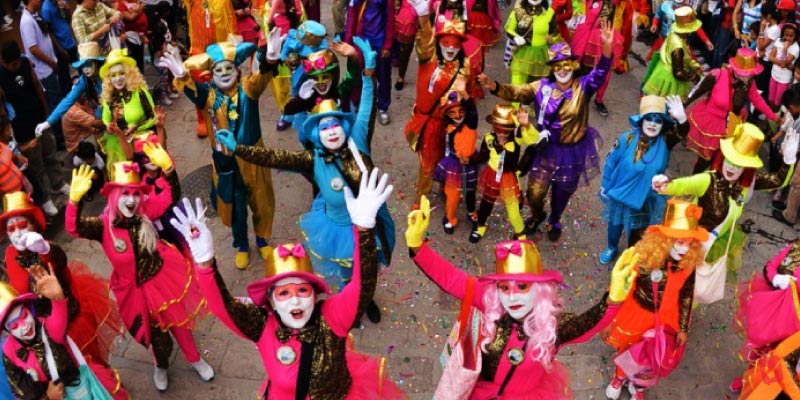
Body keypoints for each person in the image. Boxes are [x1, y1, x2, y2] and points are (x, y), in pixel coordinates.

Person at [177, 169, 404, 399]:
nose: (295, 299)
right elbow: (223, 307)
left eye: (302, 290)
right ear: (272, 302)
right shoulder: (262, 324)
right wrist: (205, 264)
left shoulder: (331, 317)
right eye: (284, 293)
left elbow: (361, 287)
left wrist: (363, 230)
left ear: (315, 296)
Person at [216, 37, 395, 323]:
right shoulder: (313, 159)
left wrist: (368, 72)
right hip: (335, 228)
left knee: (368, 266)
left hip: (365, 226)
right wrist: (238, 149)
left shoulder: (358, 141)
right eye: (325, 126)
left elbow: (366, 106)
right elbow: (275, 157)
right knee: (348, 272)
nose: (333, 130)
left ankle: (367, 297)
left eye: (336, 123)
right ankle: (353, 302)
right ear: (317, 135)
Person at [406, 195, 636, 399]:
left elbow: (589, 323)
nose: (512, 296)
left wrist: (613, 299)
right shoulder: (488, 300)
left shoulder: (554, 326)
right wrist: (418, 246)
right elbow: (450, 278)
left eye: (522, 286)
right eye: (504, 288)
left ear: (539, 290)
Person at [65, 156, 213, 391]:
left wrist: (169, 170)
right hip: (134, 291)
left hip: (162, 279)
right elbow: (74, 228)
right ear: (114, 196)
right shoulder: (104, 226)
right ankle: (160, 365)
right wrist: (74, 201)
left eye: (135, 193)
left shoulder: (145, 209)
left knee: (179, 323)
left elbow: (169, 196)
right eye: (125, 193)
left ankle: (195, 359)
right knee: (154, 336)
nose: (131, 200)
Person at [478, 21, 614, 242]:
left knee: (562, 191)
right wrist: (494, 86)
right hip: (545, 150)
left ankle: (555, 219)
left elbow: (600, 71)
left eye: (566, 65)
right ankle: (538, 214)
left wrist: (607, 48)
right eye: (557, 66)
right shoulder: (541, 87)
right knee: (534, 193)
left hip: (572, 151)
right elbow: (517, 91)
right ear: (552, 68)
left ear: (573, 66)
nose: (562, 70)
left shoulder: (583, 86)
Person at [158, 34, 283, 270]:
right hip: (225, 162)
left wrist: (271, 60)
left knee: (261, 199)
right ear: (212, 75)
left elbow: (263, 77)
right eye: (219, 70)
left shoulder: (249, 88)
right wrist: (182, 75)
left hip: (254, 157)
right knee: (235, 207)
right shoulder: (209, 95)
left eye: (229, 68)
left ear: (237, 71)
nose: (224, 73)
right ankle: (243, 245)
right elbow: (193, 92)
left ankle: (262, 238)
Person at [653, 123, 798, 277]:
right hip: (688, 242)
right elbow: (683, 184)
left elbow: (777, 181)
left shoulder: (744, 184)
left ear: (746, 169)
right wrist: (663, 184)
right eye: (729, 161)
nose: (731, 168)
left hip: (714, 243)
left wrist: (788, 162)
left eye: (739, 165)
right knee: (675, 279)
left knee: (699, 285)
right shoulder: (708, 179)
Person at [1, 191, 123, 367]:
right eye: (11, 228)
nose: (17, 233)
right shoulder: (9, 254)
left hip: (67, 321)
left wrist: (45, 249)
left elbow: (59, 260)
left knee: (90, 365)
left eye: (22, 225)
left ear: (33, 225)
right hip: (36, 330)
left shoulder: (44, 250)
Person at [603, 199, 708, 400]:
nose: (685, 249)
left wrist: (683, 328)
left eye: (689, 243)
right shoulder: (644, 260)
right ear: (665, 239)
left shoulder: (688, 264)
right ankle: (619, 376)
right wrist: (608, 317)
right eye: (680, 242)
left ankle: (639, 386)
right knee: (629, 350)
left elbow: (686, 295)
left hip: (666, 318)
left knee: (651, 356)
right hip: (636, 313)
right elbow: (623, 289)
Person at [403, 0, 479, 208]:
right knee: (428, 163)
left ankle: (448, 189)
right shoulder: (429, 57)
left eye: (455, 44)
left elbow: (470, 93)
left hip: (454, 124)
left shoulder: (465, 65)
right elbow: (426, 40)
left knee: (452, 159)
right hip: (432, 123)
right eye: (446, 43)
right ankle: (422, 197)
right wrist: (422, 18)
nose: (451, 48)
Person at [0, 275, 127, 399]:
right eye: (14, 325)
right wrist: (47, 396)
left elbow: (58, 321)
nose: (24, 326)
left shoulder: (47, 327)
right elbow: (20, 390)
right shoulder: (9, 350)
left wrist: (58, 298)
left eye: (24, 316)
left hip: (79, 390)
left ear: (29, 309)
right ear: (7, 330)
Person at [598, 95, 688, 265]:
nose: (653, 124)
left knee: (637, 229)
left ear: (662, 125)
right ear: (642, 120)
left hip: (645, 197)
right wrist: (605, 184)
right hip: (621, 194)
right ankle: (611, 247)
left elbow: (682, 133)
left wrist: (682, 119)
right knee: (615, 224)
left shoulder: (665, 141)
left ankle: (630, 255)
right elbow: (611, 161)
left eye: (658, 120)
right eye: (649, 118)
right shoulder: (627, 138)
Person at [0, 41, 68, 217]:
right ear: (4, 63)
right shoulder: (1, 76)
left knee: (50, 152)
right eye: (12, 64)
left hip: (39, 117)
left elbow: (37, 86)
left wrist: (47, 114)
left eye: (17, 63)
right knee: (35, 164)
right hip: (21, 126)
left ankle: (59, 182)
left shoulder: (25, 63)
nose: (16, 66)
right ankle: (44, 198)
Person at [684, 47, 777, 173]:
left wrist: (772, 116)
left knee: (722, 160)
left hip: (733, 124)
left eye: (751, 74)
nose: (748, 77)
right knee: (705, 159)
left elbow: (757, 99)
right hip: (711, 123)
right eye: (745, 74)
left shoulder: (749, 82)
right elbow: (697, 92)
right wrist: (683, 105)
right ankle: (694, 181)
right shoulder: (717, 75)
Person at [469, 104, 539, 243]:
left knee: (513, 210)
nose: (501, 133)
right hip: (492, 175)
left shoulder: (517, 138)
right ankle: (480, 226)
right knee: (486, 204)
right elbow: (483, 156)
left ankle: (519, 232)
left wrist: (526, 125)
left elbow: (534, 140)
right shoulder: (488, 138)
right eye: (497, 129)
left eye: (505, 130)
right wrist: (469, 159)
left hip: (508, 178)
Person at [181, 0, 235, 137]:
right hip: (198, 49)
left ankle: (226, 116)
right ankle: (203, 119)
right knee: (198, 85)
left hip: (218, 50)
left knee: (222, 84)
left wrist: (232, 45)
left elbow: (230, 19)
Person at [34, 42, 105, 144]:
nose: (85, 69)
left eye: (88, 64)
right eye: (82, 65)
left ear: (96, 62)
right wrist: (48, 123)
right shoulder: (84, 80)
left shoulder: (109, 74)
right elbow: (67, 101)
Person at [99, 48, 158, 172]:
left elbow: (155, 117)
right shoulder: (108, 97)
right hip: (120, 144)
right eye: (113, 75)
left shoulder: (139, 92)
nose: (118, 79)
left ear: (129, 74)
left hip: (143, 141)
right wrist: (108, 126)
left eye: (121, 73)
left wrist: (137, 127)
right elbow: (105, 118)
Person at [433, 82, 479, 235]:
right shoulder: (447, 127)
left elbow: (473, 112)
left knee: (470, 190)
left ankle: (471, 210)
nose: (458, 116)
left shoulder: (471, 124)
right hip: (454, 164)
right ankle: (449, 217)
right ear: (447, 115)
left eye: (461, 112)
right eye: (452, 113)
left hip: (470, 162)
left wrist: (464, 94)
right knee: (452, 195)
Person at [345, 0, 395, 125]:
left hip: (379, 41)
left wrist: (387, 45)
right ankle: (357, 103)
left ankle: (382, 107)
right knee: (357, 71)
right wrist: (348, 42)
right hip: (360, 40)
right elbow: (351, 16)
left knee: (383, 76)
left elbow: (390, 18)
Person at [570, 0, 623, 116]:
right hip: (586, 35)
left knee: (604, 71)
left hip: (605, 36)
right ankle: (579, 96)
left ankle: (598, 99)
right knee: (581, 67)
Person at [641, 6, 704, 98]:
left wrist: (694, 66)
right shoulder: (678, 47)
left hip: (663, 71)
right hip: (670, 80)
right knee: (668, 106)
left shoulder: (673, 34)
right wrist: (695, 78)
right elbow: (678, 72)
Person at [20, 0, 62, 114]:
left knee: (58, 98)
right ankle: (58, 130)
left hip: (49, 66)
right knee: (56, 102)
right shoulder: (27, 21)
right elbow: (33, 48)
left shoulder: (35, 14)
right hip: (44, 70)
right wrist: (51, 63)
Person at [503, 0, 556, 86]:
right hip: (522, 55)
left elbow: (554, 32)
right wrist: (516, 37)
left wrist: (552, 39)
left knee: (539, 88)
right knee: (518, 87)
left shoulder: (550, 12)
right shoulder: (518, 12)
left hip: (542, 56)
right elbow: (508, 29)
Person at [41, 0, 78, 98]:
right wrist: (60, 50)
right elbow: (49, 32)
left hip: (70, 42)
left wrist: (67, 9)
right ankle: (70, 104)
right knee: (65, 79)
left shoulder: (61, 2)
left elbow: (67, 20)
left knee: (81, 69)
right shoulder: (46, 9)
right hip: (60, 48)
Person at [768, 23, 799, 109]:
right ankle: (770, 117)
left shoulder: (796, 48)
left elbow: (784, 63)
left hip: (784, 79)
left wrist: (785, 49)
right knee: (770, 99)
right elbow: (771, 57)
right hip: (774, 74)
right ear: (783, 34)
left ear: (795, 36)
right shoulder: (778, 41)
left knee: (778, 102)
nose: (788, 38)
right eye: (786, 35)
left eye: (791, 36)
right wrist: (783, 63)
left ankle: (775, 118)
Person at [119, 0, 149, 72]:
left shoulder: (134, 1)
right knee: (134, 63)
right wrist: (141, 8)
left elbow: (141, 3)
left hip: (140, 36)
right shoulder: (120, 4)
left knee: (140, 63)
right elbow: (130, 17)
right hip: (130, 37)